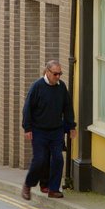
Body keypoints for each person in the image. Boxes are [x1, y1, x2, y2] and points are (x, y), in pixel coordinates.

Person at [21, 60, 76, 200]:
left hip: (56, 130)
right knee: (40, 159)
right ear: (47, 72)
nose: (58, 77)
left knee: (58, 159)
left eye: (60, 74)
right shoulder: (37, 87)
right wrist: (27, 128)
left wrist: (71, 126)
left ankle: (53, 189)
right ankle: (28, 185)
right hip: (39, 130)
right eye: (55, 74)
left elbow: (68, 108)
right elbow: (27, 108)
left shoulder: (61, 87)